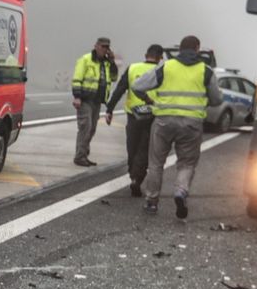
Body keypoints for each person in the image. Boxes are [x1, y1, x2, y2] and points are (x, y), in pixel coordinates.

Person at [134, 35, 223, 219]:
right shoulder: (206, 71)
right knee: (187, 163)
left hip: (164, 120)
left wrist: (148, 99)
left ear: (180, 49)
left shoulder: (166, 66)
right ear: (197, 49)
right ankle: (180, 192)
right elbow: (217, 100)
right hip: (192, 123)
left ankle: (151, 203)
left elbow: (137, 85)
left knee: (156, 163)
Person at [105, 44, 164, 196]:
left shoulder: (132, 68)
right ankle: (137, 179)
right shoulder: (161, 71)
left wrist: (109, 109)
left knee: (132, 147)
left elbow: (119, 89)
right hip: (153, 115)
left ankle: (133, 175)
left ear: (145, 54)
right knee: (144, 149)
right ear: (160, 58)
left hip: (133, 116)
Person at [71, 37, 119, 166]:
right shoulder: (86, 59)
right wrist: (77, 96)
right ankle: (80, 156)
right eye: (102, 46)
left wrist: (113, 61)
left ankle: (84, 153)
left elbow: (114, 78)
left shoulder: (107, 63)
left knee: (92, 129)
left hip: (97, 101)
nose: (104, 49)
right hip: (85, 99)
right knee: (85, 127)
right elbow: (77, 78)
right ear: (96, 46)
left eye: (107, 47)